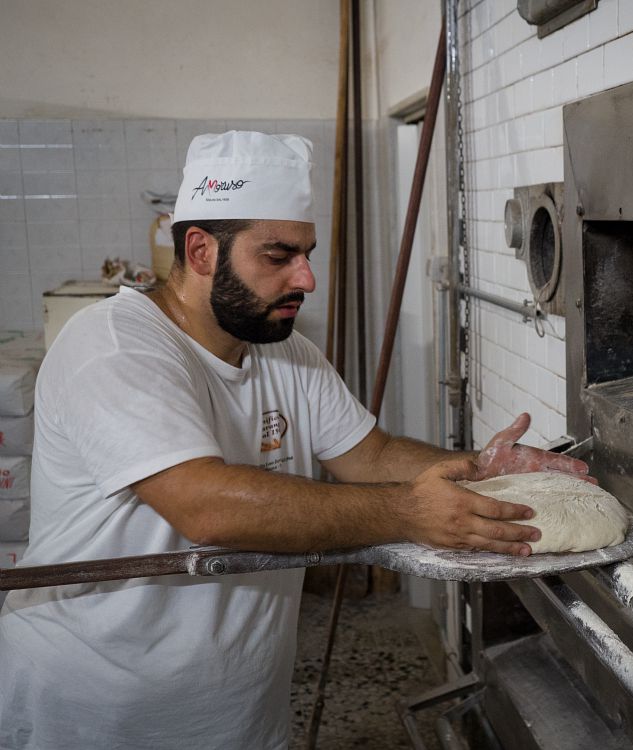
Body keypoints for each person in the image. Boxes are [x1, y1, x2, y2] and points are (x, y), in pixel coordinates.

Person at [0, 131, 589, 750]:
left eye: (305, 253)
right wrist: (409, 513)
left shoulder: (288, 354)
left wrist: (477, 468)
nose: (306, 277)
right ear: (200, 251)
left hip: (237, 707)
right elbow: (208, 506)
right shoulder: (116, 346)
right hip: (95, 710)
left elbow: (371, 455)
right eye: (278, 256)